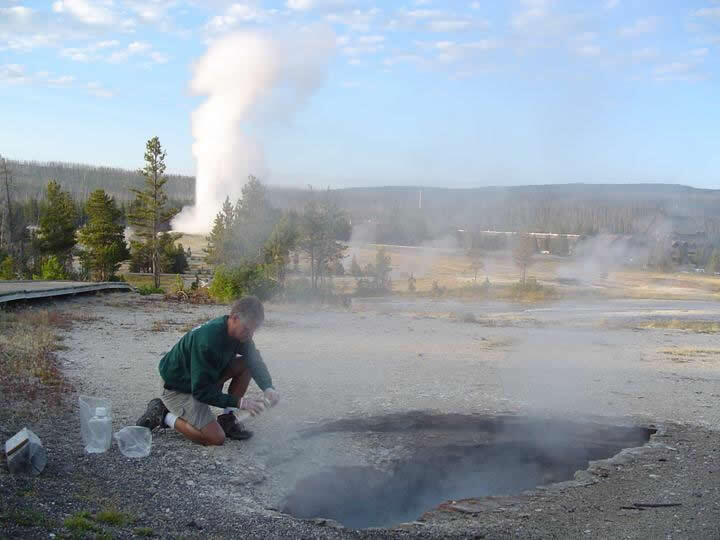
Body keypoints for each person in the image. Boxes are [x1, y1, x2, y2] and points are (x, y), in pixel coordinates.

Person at [136, 295, 279, 446]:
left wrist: (268, 387)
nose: (250, 335)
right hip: (178, 388)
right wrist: (240, 402)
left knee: (248, 362)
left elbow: (254, 359)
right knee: (216, 438)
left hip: (199, 378)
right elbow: (201, 392)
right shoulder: (208, 341)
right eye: (247, 329)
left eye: (254, 330)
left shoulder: (238, 333)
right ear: (235, 318)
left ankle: (227, 420)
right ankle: (163, 415)